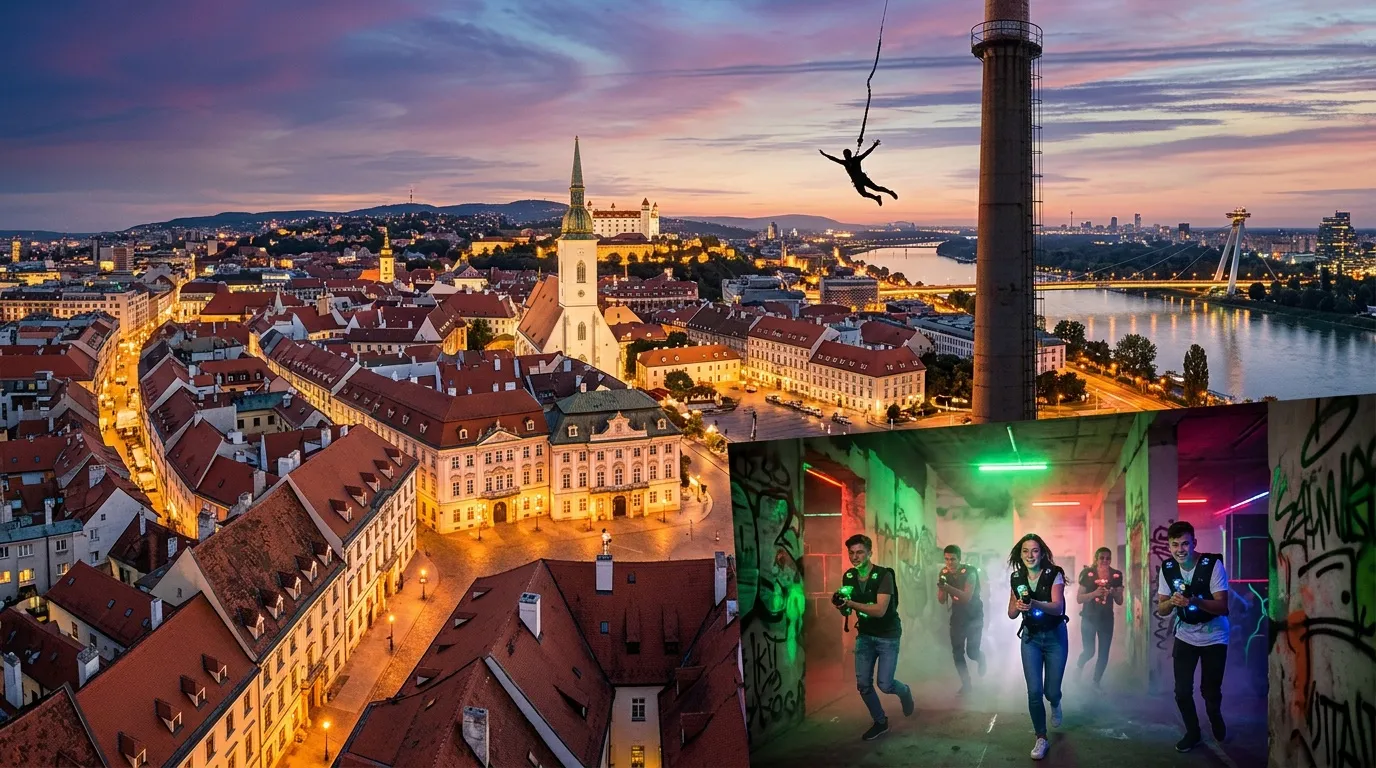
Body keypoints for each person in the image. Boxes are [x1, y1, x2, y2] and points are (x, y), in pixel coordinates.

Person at [1156, 521, 1230, 752]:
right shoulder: (1167, 567)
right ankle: (1193, 732)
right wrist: (1172, 602)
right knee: (1181, 691)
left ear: (1194, 543)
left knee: (1209, 690)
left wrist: (1194, 600)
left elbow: (1223, 606)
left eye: (1185, 544)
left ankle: (1214, 715)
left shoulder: (1212, 564)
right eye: (1175, 544)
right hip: (1185, 635)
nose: (1180, 549)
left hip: (1215, 635)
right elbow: (1161, 609)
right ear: (1169, 546)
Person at [834, 533, 913, 740]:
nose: (855, 556)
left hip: (887, 635)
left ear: (870, 553)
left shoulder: (884, 575)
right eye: (851, 553)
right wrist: (841, 606)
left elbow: (879, 610)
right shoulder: (849, 577)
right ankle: (880, 722)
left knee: (885, 685)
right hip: (865, 635)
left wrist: (850, 604)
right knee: (863, 685)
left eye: (860, 552)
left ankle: (904, 691)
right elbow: (847, 613)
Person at [1006, 533, 1068, 761]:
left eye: (1034, 550)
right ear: (1020, 554)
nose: (1030, 555)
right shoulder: (1016, 577)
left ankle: (1056, 701)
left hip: (1055, 637)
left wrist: (1034, 603)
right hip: (1030, 638)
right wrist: (1018, 604)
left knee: (1051, 690)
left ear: (1041, 553)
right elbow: (1011, 614)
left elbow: (1058, 607)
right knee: (1034, 691)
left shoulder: (1055, 573)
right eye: (1025, 551)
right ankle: (1041, 737)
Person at [937, 544, 986, 694]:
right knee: (957, 652)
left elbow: (966, 597)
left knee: (971, 652)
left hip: (974, 614)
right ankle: (966, 683)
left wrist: (948, 588)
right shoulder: (944, 573)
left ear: (959, 558)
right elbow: (941, 600)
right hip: (958, 615)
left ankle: (980, 657)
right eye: (946, 559)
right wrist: (941, 587)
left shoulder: (969, 572)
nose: (949, 563)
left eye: (953, 559)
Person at [1075, 547, 1123, 687]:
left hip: (1107, 619)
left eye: (1108, 558)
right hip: (1089, 618)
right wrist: (1094, 593)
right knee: (1089, 651)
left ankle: (1096, 683)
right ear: (1096, 559)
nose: (1105, 561)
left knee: (1103, 654)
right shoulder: (1087, 573)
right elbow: (1079, 598)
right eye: (1102, 557)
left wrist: (1114, 592)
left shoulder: (1116, 575)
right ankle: (1078, 668)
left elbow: (1119, 601)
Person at [819, 140, 899, 206]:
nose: (845, 156)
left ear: (849, 154)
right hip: (857, 182)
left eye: (846, 154)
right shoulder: (845, 163)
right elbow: (833, 159)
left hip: (863, 179)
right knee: (864, 194)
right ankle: (876, 198)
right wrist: (824, 154)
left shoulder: (856, 159)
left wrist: (874, 146)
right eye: (844, 155)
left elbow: (866, 153)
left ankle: (890, 192)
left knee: (876, 188)